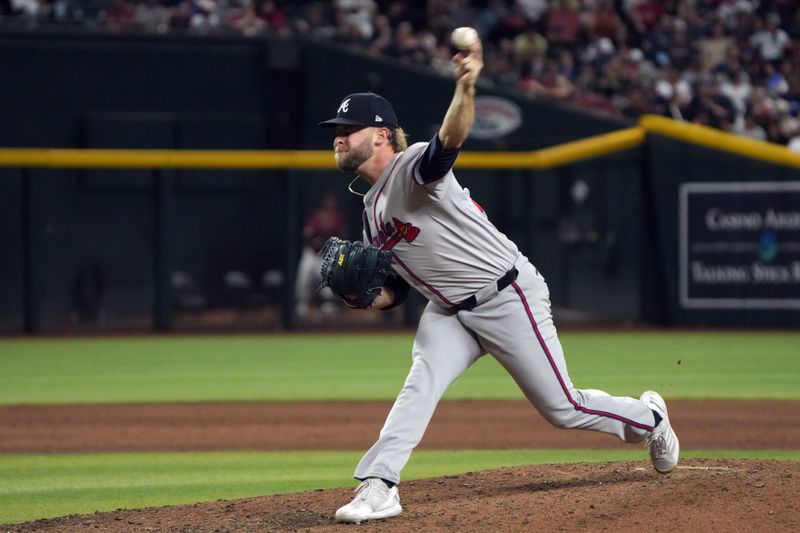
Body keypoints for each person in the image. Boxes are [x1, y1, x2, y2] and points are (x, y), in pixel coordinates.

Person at [317, 33, 679, 525]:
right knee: (419, 385)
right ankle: (380, 486)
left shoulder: (413, 167)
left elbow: (449, 143)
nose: (339, 136)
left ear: (381, 134)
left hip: (507, 295)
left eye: (349, 128)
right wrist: (366, 298)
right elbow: (397, 288)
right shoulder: (370, 209)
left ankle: (650, 419)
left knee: (563, 408)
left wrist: (465, 87)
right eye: (336, 129)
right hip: (448, 312)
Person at [294, 191, 347, 318]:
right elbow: (306, 234)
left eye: (332, 201)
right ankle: (302, 304)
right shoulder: (316, 216)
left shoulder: (337, 218)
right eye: (328, 201)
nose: (330, 204)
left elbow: (343, 236)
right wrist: (315, 240)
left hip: (327, 254)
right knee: (304, 276)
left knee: (328, 279)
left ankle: (329, 304)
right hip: (312, 253)